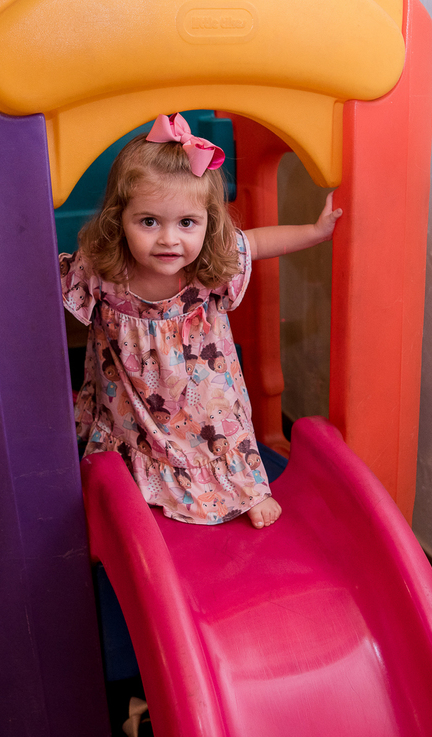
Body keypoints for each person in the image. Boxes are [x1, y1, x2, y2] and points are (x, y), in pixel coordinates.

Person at [61, 113, 342, 529]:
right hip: (133, 402)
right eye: (149, 221)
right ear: (120, 218)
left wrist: (315, 231)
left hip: (202, 392)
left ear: (209, 223)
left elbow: (259, 241)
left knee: (219, 426)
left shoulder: (205, 265)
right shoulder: (102, 270)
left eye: (186, 223)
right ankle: (143, 483)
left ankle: (247, 489)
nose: (169, 239)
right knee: (128, 447)